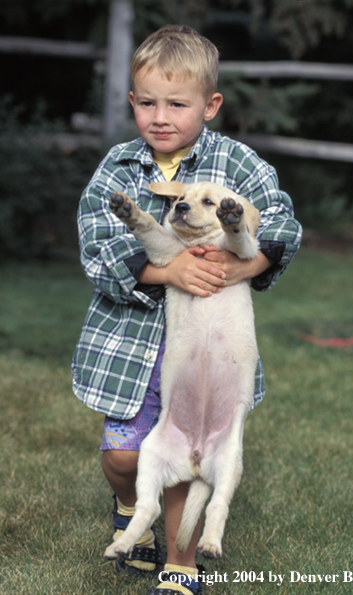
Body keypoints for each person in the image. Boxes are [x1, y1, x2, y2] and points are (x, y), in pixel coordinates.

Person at [72, 24, 302, 595]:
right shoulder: (119, 168)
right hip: (127, 345)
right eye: (147, 102)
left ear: (210, 105)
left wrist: (246, 265)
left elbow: (282, 224)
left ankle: (181, 565)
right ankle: (129, 503)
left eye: (177, 103)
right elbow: (97, 248)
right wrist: (165, 269)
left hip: (205, 350)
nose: (161, 116)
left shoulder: (236, 162)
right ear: (132, 103)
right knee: (127, 457)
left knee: (189, 456)